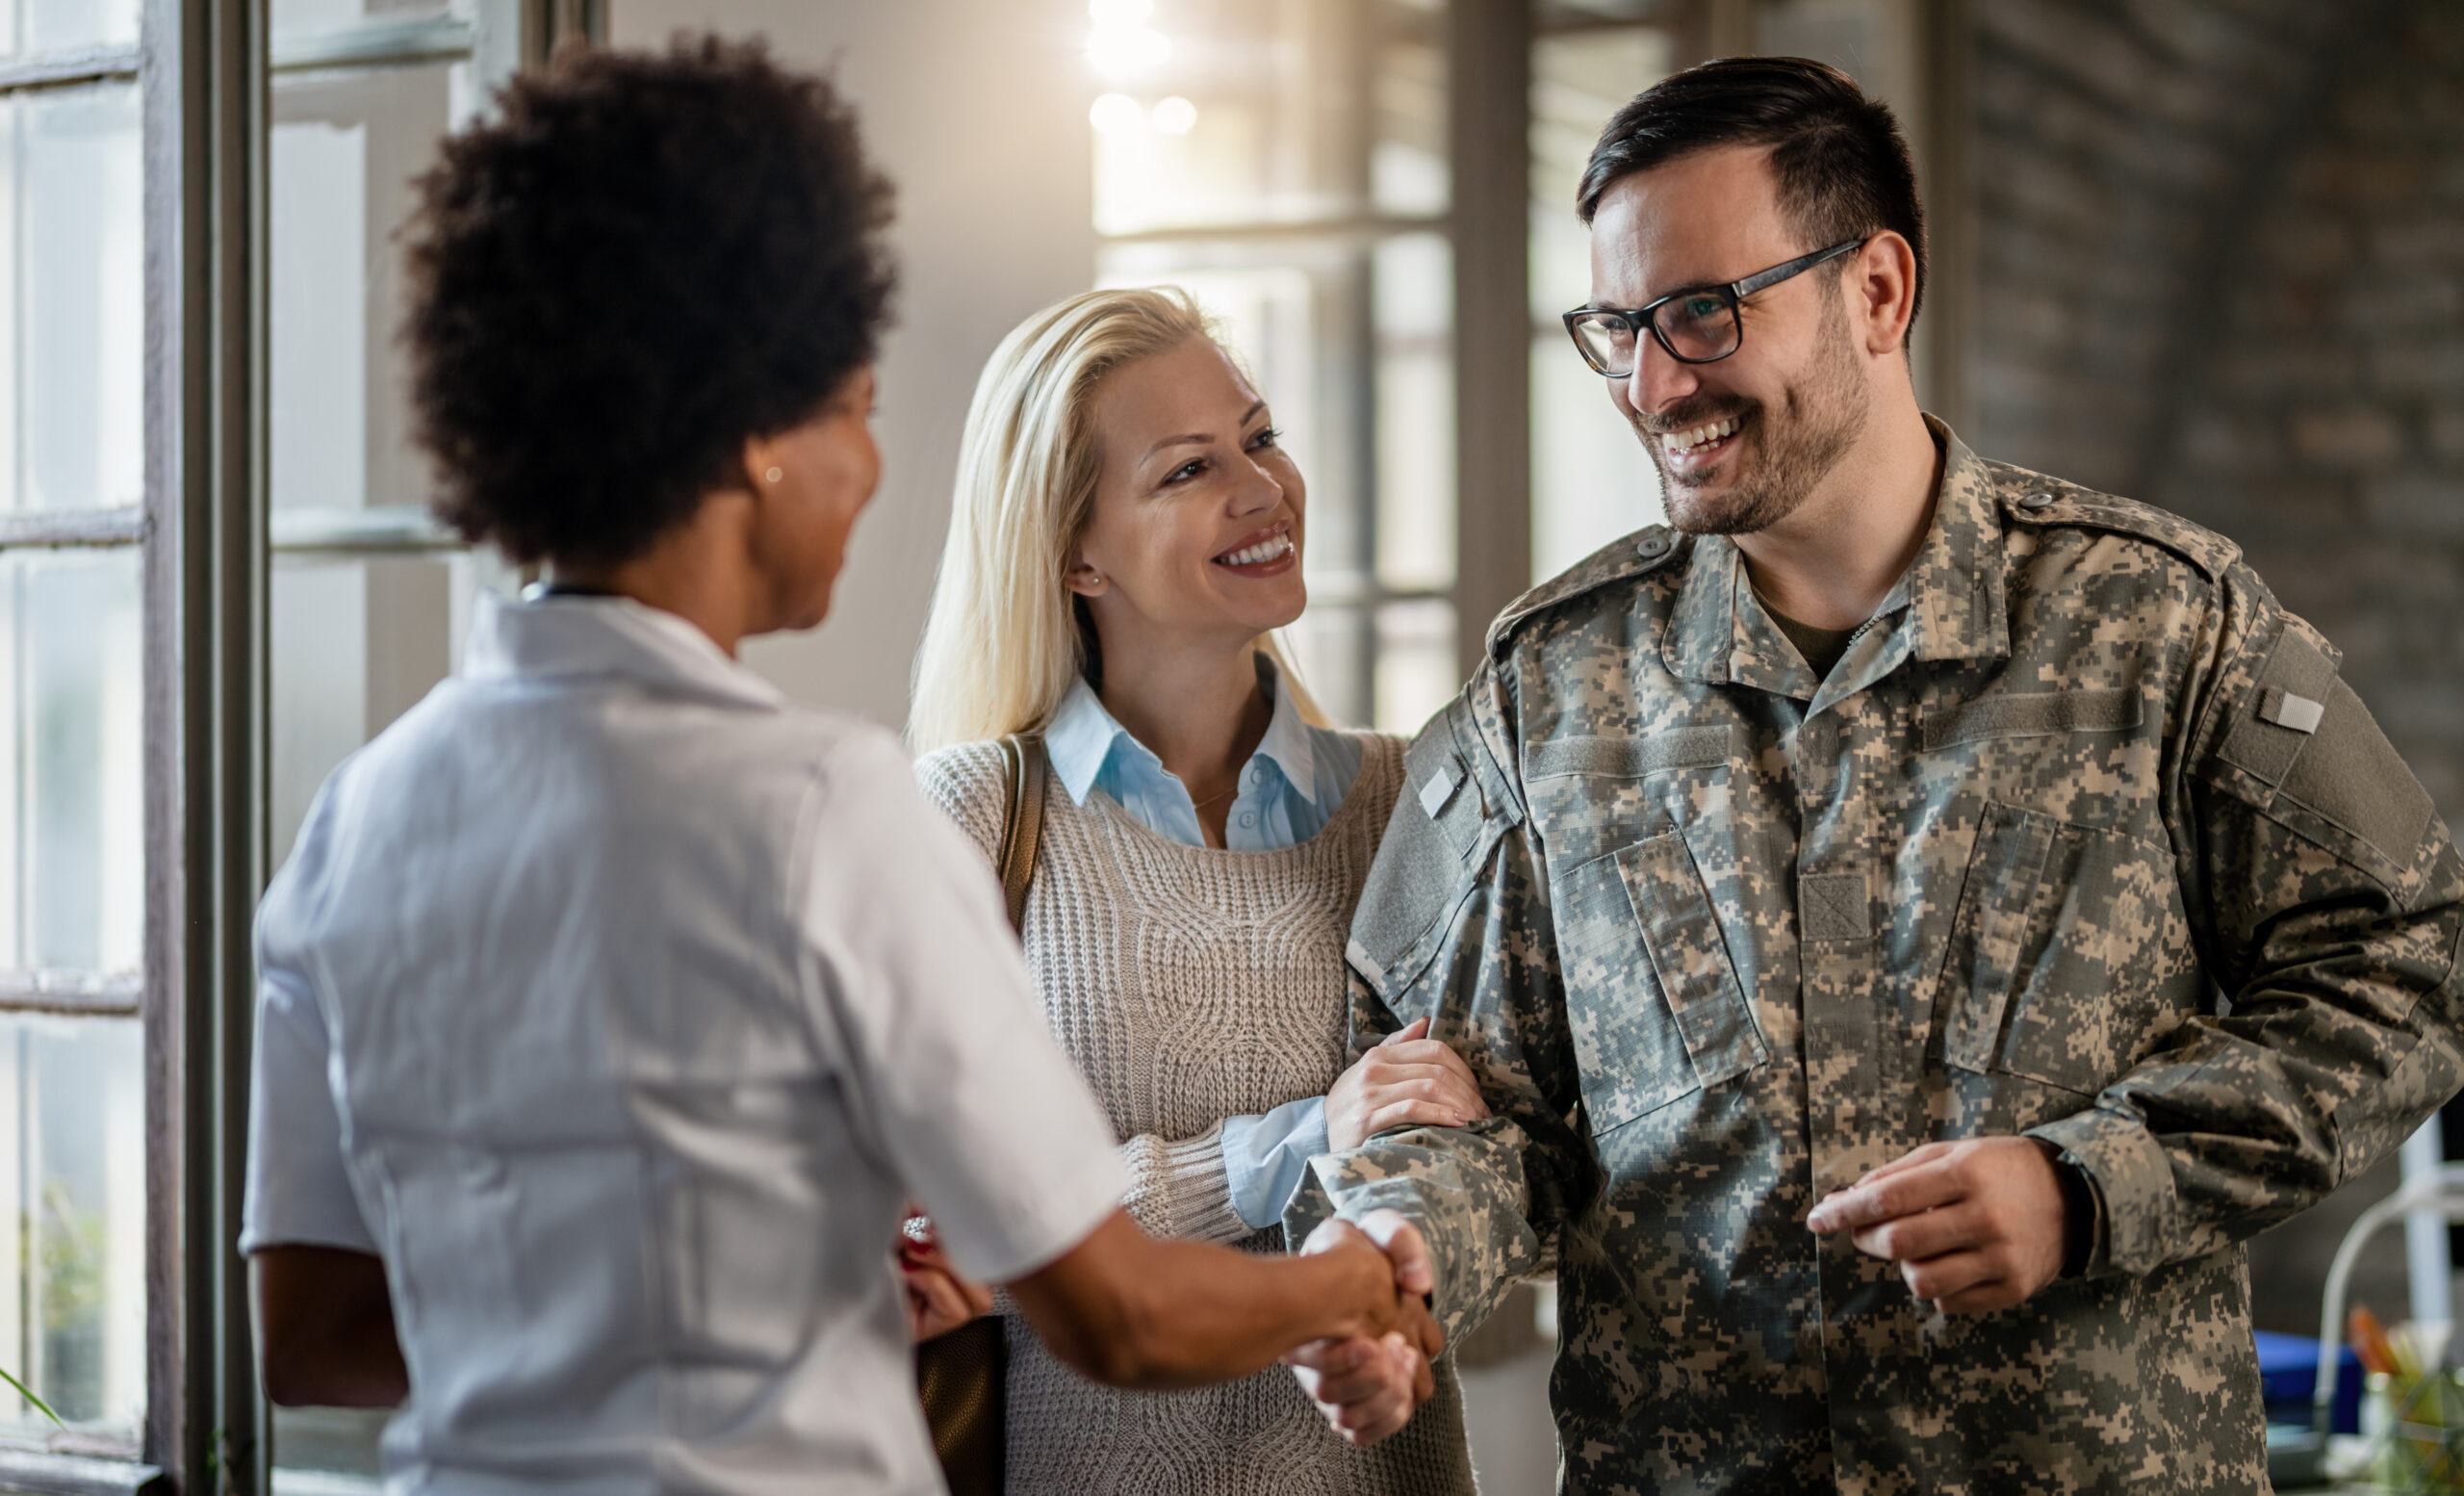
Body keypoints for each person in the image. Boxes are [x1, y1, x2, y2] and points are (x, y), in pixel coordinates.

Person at [237, 39, 1436, 1496]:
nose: (870, 469)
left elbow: (313, 1334)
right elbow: (1116, 1312)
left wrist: (663, 1325)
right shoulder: (824, 809)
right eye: (855, 408)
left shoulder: (356, 820)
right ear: (759, 435)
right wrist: (1355, 1287)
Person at [1287, 54, 2464, 1492]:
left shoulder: (2164, 624)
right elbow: (1459, 1092)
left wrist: (2094, 1184)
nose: (1655, 383)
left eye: (1702, 314)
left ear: (1879, 291)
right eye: (1618, 328)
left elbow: (2409, 961)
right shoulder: (1548, 683)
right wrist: (1397, 1254)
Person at [903, 286, 1483, 1492]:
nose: (1263, 487)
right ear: (1073, 550)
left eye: (1260, 438)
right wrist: (1296, 1142)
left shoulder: (1409, 801)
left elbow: (1485, 1178)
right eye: (1186, 471)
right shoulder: (967, 818)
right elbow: (944, 1242)